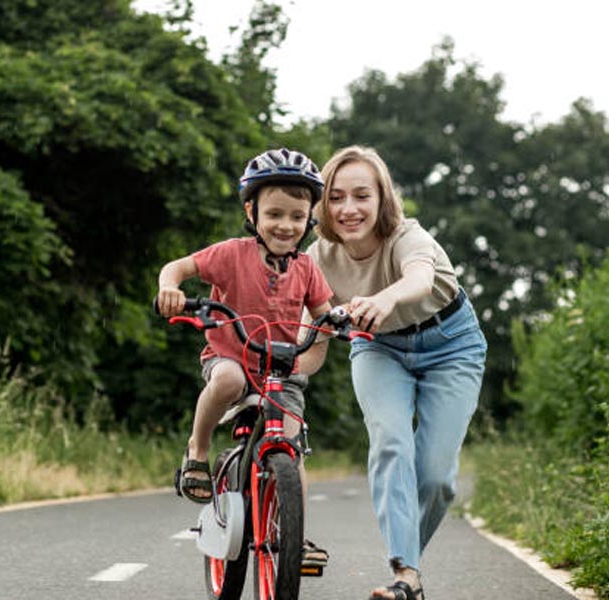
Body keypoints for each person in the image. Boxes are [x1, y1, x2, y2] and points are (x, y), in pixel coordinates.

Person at [301, 146, 487, 600]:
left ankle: (409, 568)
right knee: (390, 442)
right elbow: (314, 336)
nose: (349, 209)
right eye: (337, 197)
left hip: (451, 346)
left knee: (436, 479)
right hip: (377, 348)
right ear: (323, 204)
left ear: (383, 198)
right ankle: (405, 576)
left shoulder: (409, 237)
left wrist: (383, 300)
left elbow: (419, 280)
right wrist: (286, 378)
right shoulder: (317, 258)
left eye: (362, 195)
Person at [156, 148, 334, 568]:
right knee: (229, 381)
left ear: (309, 219)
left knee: (290, 444)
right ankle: (197, 452)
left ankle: (296, 537)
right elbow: (176, 268)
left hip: (280, 373)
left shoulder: (307, 268)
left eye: (296, 216)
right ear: (252, 213)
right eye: (274, 214)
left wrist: (343, 321)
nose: (285, 225)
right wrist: (170, 289)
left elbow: (326, 313)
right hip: (229, 357)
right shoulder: (231, 254)